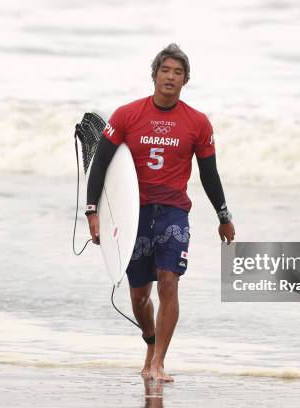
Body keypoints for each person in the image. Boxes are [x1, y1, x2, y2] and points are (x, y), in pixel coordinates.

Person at [85, 43, 235, 382]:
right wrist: (92, 212)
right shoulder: (127, 115)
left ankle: (159, 363)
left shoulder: (197, 122)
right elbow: (102, 164)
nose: (170, 77)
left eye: (178, 72)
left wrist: (223, 217)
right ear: (154, 75)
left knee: (169, 283)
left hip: (173, 213)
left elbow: (209, 174)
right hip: (132, 215)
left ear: (186, 80)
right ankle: (150, 343)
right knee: (139, 296)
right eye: (165, 70)